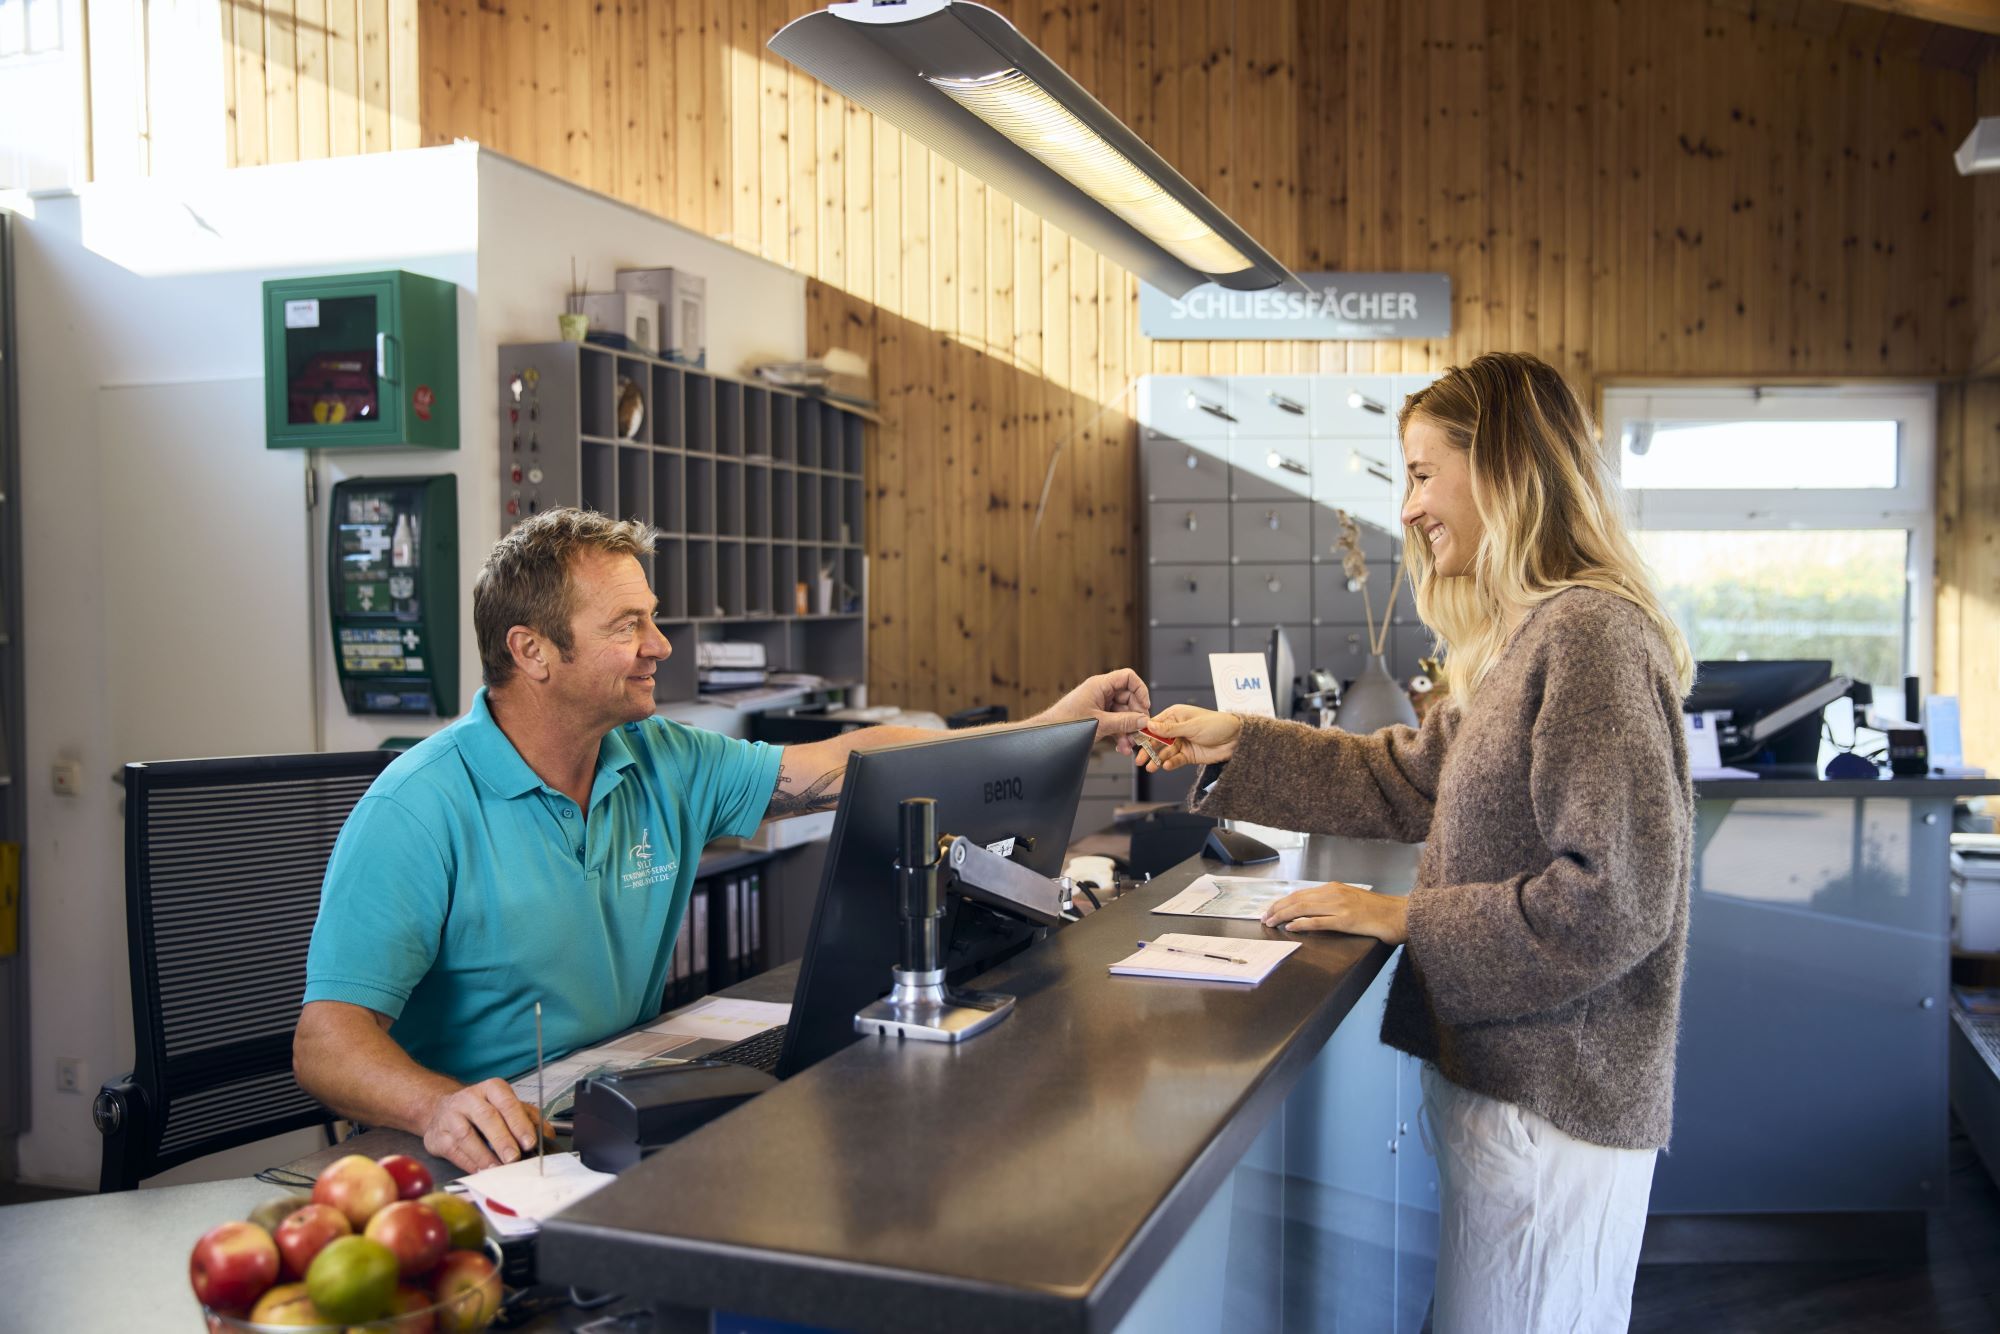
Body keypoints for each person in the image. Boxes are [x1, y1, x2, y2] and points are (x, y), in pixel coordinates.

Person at [296, 508, 1150, 1172]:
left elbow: (849, 762)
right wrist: (437, 1107)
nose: (659, 646)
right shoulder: (418, 807)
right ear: (533, 651)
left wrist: (1048, 726)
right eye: (627, 626)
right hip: (478, 1151)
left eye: (653, 618)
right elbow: (327, 1043)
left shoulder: (655, 756)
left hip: (607, 1108)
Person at [1138, 353, 1694, 1331]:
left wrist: (1403, 916)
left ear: (1505, 472)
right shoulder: (1529, 636)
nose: (1406, 508)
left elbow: (1615, 901)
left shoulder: (1589, 638)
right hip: (1510, 1088)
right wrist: (1242, 741)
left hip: (1553, 1104)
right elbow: (1408, 774)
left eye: (1420, 472)